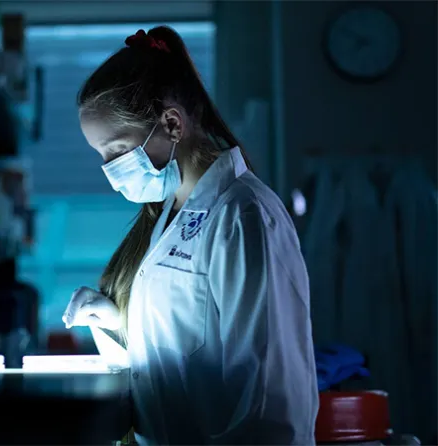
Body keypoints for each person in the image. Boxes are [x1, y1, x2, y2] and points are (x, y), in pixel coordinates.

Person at [61, 27, 319, 445]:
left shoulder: (242, 214)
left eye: (116, 150)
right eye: (101, 156)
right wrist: (115, 324)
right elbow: (186, 353)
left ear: (172, 123)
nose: (110, 170)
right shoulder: (172, 216)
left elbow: (270, 399)